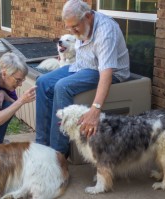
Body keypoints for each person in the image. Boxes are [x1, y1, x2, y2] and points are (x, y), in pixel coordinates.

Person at [35, 0, 130, 156]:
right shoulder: (81, 25)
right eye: (69, 27)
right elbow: (81, 55)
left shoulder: (105, 31)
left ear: (88, 16)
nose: (73, 32)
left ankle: (58, 154)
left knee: (62, 86)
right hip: (82, 66)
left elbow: (106, 72)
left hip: (105, 71)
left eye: (75, 27)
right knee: (42, 82)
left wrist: (95, 109)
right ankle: (41, 147)